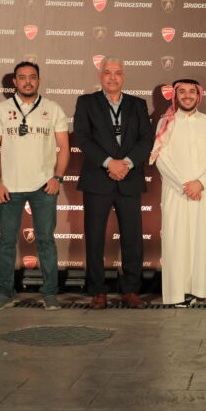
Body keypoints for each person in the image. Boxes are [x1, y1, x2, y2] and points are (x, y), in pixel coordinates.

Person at [0, 62, 70, 311]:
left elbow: (65, 147)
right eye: (22, 77)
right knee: (6, 242)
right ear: (15, 82)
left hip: (44, 186)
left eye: (32, 77)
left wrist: (57, 178)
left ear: (39, 80)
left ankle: (50, 294)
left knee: (46, 241)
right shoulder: (0, 110)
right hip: (9, 187)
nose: (27, 81)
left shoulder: (53, 108)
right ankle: (5, 293)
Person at [74, 58, 154, 308]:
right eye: (107, 72)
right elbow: (83, 138)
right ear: (100, 76)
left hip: (129, 179)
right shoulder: (86, 102)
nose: (112, 77)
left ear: (123, 76)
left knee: (133, 239)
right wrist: (109, 163)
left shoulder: (137, 104)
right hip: (98, 179)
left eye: (117, 73)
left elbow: (146, 140)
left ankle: (130, 290)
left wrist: (126, 164)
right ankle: (98, 291)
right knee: (95, 238)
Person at [150, 79, 206, 307]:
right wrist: (184, 185)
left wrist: (200, 183)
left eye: (191, 92)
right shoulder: (166, 122)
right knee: (179, 242)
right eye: (182, 92)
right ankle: (181, 292)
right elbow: (160, 158)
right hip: (177, 193)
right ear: (175, 96)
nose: (187, 95)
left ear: (198, 95)